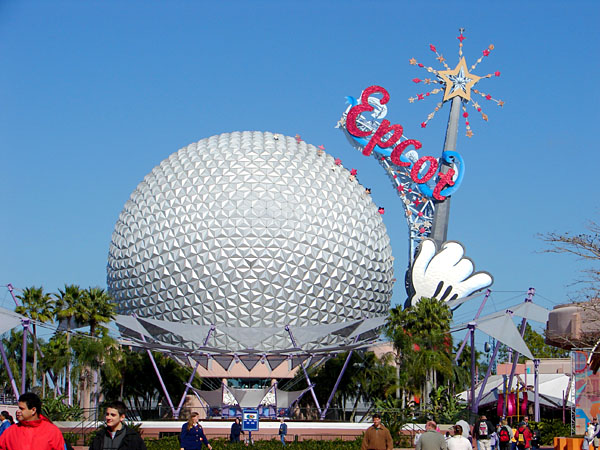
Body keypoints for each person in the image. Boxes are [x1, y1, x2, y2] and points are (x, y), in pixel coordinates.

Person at [0, 392, 65, 450]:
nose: (18, 411)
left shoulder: (52, 432)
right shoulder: (10, 432)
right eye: (18, 408)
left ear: (33, 410)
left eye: (22, 409)